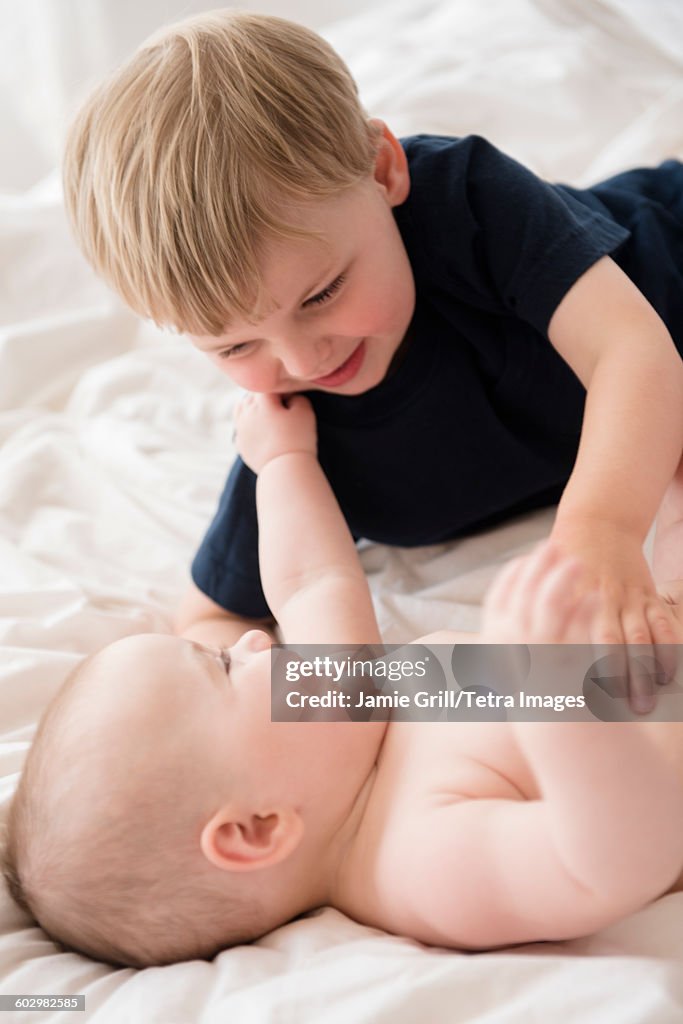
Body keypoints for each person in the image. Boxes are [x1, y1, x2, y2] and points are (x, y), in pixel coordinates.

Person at [60, 11, 683, 700]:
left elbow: (631, 350)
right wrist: (258, 702)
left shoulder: (465, 198)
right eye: (235, 345)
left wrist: (600, 528)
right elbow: (210, 617)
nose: (301, 358)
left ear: (384, 168)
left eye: (322, 294)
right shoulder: (292, 433)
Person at [4, 393, 683, 969]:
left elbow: (309, 580)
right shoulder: (419, 863)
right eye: (220, 668)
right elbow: (614, 862)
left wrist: (281, 463)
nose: (246, 639)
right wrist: (556, 727)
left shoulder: (337, 705)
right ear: (257, 829)